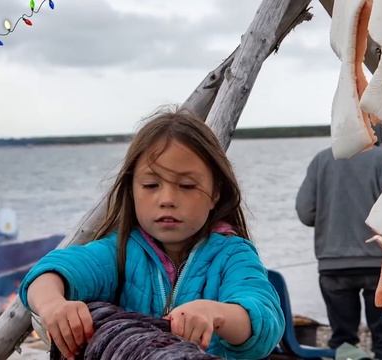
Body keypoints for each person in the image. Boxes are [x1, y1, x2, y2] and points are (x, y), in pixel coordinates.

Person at [18, 109, 284, 359]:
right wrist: (53, 305)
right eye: (151, 185)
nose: (167, 199)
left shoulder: (232, 254)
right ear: (132, 189)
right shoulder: (119, 251)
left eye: (187, 185)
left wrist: (216, 313)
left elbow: (264, 320)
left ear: (215, 193)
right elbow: (50, 272)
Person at [295, 144, 382, 360]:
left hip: (333, 264)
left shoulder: (321, 160)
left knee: (343, 340)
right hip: (380, 265)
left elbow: (305, 212)